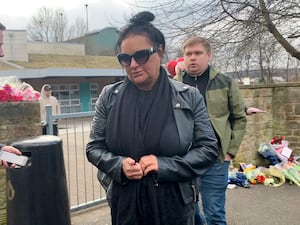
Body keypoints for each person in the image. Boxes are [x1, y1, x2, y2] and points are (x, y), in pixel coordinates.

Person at [86, 11, 220, 225]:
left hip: (174, 205)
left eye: (141, 55)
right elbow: (94, 148)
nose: (133, 64)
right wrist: (118, 165)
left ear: (160, 52)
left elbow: (208, 149)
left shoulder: (189, 96)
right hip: (125, 204)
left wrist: (165, 165)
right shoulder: (109, 97)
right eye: (125, 58)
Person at [174, 36, 247, 225]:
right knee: (188, 211)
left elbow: (239, 117)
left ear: (209, 55)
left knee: (214, 213)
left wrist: (230, 151)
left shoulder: (225, 82)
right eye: (188, 54)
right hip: (185, 158)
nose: (192, 58)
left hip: (215, 159)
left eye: (198, 53)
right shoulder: (174, 85)